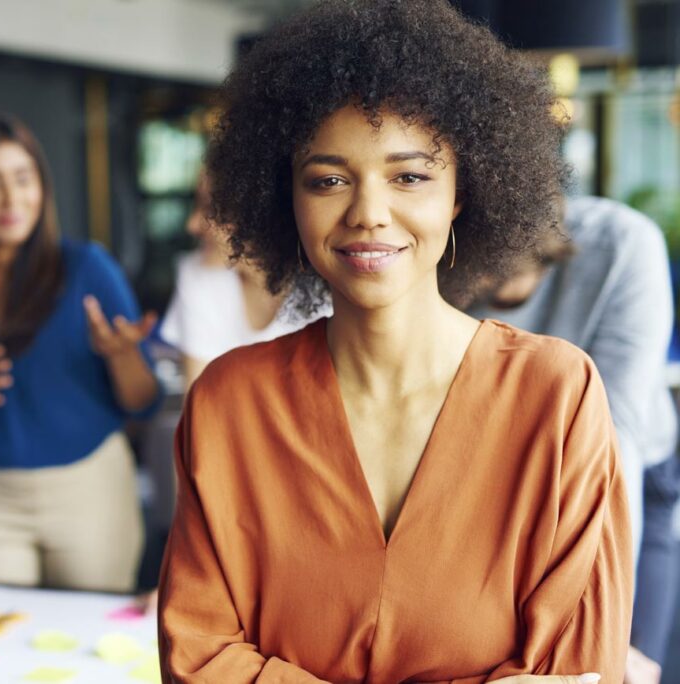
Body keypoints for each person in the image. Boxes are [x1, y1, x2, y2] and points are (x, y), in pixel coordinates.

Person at [157, 1, 632, 682]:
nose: (368, 214)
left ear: (463, 190)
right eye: (328, 180)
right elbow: (200, 657)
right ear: (283, 196)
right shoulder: (229, 403)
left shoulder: (555, 397)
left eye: (409, 176)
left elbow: (577, 668)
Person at [0, 113, 161, 593]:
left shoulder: (87, 268)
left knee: (89, 651)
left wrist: (122, 356)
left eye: (23, 179)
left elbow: (143, 402)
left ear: (42, 187)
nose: (12, 199)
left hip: (89, 490)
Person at [467, 195, 678, 684]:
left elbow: (615, 437)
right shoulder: (446, 263)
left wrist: (609, 629)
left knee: (632, 657)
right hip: (510, 477)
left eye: (507, 294)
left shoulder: (623, 245)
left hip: (632, 474)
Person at [160, 171, 322, 389]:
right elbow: (198, 409)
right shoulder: (197, 275)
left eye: (209, 210)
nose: (192, 225)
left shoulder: (327, 291)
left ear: (258, 217)